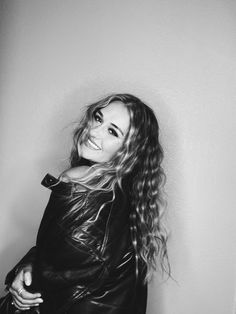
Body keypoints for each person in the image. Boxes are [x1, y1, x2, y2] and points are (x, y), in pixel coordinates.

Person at [4, 93, 169, 313]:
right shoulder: (128, 196)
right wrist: (28, 265)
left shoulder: (80, 180)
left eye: (112, 131)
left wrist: (20, 282)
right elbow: (63, 261)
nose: (93, 131)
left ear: (129, 151)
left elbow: (50, 280)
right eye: (98, 119)